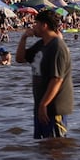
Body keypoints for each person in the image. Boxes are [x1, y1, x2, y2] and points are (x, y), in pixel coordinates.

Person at [16, 9, 74, 140]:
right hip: (41, 107)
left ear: (44, 25)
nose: (33, 27)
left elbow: (57, 79)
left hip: (53, 108)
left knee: (56, 147)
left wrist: (44, 105)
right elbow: (20, 58)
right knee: (42, 149)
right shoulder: (42, 44)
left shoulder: (57, 46)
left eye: (36, 23)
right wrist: (24, 37)